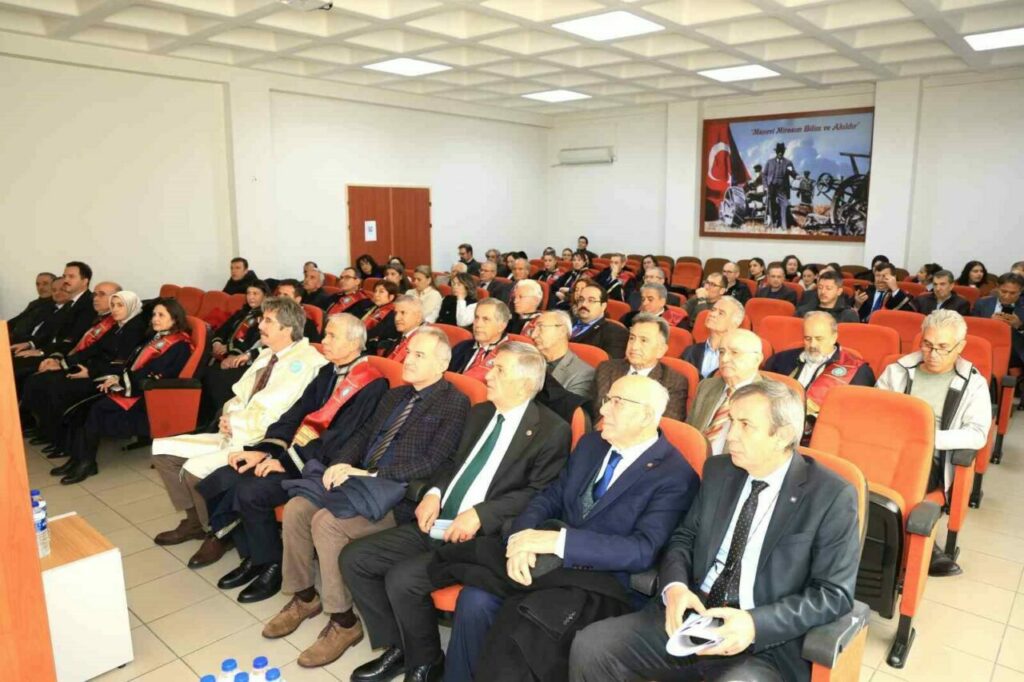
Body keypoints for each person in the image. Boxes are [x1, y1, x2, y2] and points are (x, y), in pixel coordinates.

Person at [569, 381, 861, 682]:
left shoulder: (830, 495)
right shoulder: (720, 471)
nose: (731, 435)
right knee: (593, 647)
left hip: (764, 641)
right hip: (694, 615)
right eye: (732, 421)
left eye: (745, 425)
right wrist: (675, 587)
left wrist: (755, 624)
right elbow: (684, 538)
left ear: (783, 435)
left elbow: (833, 594)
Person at [424, 375, 699, 682]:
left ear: (646, 416)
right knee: (475, 599)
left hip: (603, 582)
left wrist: (557, 542)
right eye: (606, 400)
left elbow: (641, 550)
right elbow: (550, 497)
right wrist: (522, 540)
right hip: (547, 565)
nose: (603, 410)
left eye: (617, 403)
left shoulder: (675, 476)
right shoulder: (592, 444)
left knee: (522, 628)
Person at [341, 343, 572, 682]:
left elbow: (539, 493)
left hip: (480, 536)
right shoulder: (481, 413)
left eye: (499, 370)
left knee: (403, 579)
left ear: (524, 384)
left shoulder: (551, 430)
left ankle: (426, 663)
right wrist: (434, 493)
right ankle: (402, 647)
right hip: (438, 519)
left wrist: (481, 514)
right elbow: (451, 462)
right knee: (355, 558)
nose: (488, 375)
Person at [263, 327, 470, 663]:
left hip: (397, 495)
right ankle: (304, 597)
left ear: (442, 364)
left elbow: (434, 461)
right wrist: (341, 463)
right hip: (359, 481)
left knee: (326, 523)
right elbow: (361, 436)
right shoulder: (395, 395)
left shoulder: (454, 403)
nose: (408, 360)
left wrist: (372, 474)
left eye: (419, 355)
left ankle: (344, 622)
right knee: (299, 507)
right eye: (409, 352)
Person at [193, 314, 392, 602]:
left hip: (324, 464)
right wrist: (265, 450)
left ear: (353, 343)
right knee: (223, 477)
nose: (323, 341)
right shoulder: (329, 371)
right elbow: (295, 413)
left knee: (250, 491)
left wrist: (285, 462)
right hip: (298, 452)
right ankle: (252, 556)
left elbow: (342, 439)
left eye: (332, 336)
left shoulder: (371, 384)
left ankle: (271, 564)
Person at [149, 298, 327, 551]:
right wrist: (228, 416)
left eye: (268, 321)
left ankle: (218, 533)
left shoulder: (307, 363)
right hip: (233, 431)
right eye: (262, 319)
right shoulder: (268, 354)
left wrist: (236, 423)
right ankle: (195, 521)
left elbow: (282, 415)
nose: (260, 325)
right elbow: (240, 395)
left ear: (287, 329)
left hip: (257, 441)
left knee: (193, 470)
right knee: (162, 450)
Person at [877, 310, 991, 576]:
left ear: (960, 347)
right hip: (888, 446)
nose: (933, 354)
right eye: (927, 345)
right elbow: (876, 411)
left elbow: (977, 433)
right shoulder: (897, 371)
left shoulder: (973, 384)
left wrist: (925, 439)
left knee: (905, 475)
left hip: (933, 456)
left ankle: (915, 542)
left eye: (942, 347)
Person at [51, 298, 193, 484]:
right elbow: (132, 364)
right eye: (154, 315)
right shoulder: (156, 337)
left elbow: (155, 374)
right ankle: (77, 459)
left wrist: (121, 382)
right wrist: (115, 377)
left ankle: (87, 463)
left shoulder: (180, 345)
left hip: (149, 395)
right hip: (133, 385)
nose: (155, 319)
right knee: (82, 406)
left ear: (174, 319)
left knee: (96, 409)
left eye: (161, 315)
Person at [22, 288, 146, 457]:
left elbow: (123, 364)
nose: (115, 309)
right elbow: (93, 348)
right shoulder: (118, 326)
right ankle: (49, 432)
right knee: (40, 380)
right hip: (92, 369)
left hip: (109, 378)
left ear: (131, 306)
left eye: (120, 305)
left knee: (58, 388)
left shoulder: (135, 329)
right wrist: (62, 363)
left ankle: (64, 442)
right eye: (113, 305)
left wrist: (90, 372)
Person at [764, 312, 874, 443]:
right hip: (773, 429)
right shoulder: (780, 360)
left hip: (820, 438)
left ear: (834, 337)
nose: (812, 345)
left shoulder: (858, 372)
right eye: (808, 338)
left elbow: (854, 419)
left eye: (819, 339)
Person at [593, 314, 688, 420]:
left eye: (643, 340)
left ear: (660, 350)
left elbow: (666, 424)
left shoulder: (674, 382)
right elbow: (591, 412)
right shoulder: (606, 368)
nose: (634, 346)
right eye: (632, 338)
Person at [12, 262, 96, 379]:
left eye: (71, 277)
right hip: (52, 351)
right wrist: (30, 344)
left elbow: (73, 339)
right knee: (10, 358)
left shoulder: (89, 304)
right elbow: (51, 331)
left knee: (14, 367)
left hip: (63, 357)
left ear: (85, 281)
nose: (66, 280)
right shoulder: (70, 303)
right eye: (65, 276)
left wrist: (42, 352)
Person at [687, 329, 763, 455]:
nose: (724, 358)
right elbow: (689, 431)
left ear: (757, 360)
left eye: (734, 352)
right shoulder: (706, 386)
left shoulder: (770, 398)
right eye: (721, 352)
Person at [200, 281, 268, 422]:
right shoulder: (242, 313)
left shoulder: (265, 317)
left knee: (216, 378)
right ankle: (204, 418)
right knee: (203, 372)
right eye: (248, 293)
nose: (251, 297)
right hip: (225, 355)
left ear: (265, 296)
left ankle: (219, 418)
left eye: (255, 294)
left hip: (246, 361)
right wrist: (218, 343)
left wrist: (231, 350)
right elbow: (222, 330)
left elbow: (255, 343)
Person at [532, 310, 595, 399]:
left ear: (562, 331)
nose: (533, 335)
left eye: (540, 327)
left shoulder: (584, 374)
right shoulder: (527, 359)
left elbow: (569, 406)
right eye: (533, 329)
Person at [682, 297, 745, 380]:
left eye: (721, 313)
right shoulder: (691, 351)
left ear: (735, 323)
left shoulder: (740, 357)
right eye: (713, 310)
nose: (712, 314)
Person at [450, 299, 511, 381]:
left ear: (501, 326)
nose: (478, 324)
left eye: (486, 319)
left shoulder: (508, 356)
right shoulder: (462, 347)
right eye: (476, 318)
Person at [973, 272, 1024, 368]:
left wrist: (1019, 326)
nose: (1007, 296)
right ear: (997, 288)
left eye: (1013, 293)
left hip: (1016, 351)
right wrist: (989, 323)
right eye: (1003, 291)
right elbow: (973, 331)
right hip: (988, 348)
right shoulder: (982, 304)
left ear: (1020, 291)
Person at [570, 283, 628, 359]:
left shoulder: (616, 332)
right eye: (581, 299)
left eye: (591, 300)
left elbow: (611, 364)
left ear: (603, 306)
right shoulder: (567, 321)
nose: (584, 304)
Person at [370, 295, 425, 361]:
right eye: (395, 313)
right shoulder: (402, 336)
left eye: (403, 313)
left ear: (418, 317)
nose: (397, 318)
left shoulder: (423, 342)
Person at [8, 271, 56, 342]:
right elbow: (17, 319)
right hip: (12, 339)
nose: (40, 287)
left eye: (45, 284)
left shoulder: (57, 306)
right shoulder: (33, 304)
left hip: (27, 343)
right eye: (37, 284)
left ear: (55, 285)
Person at [795, 271, 859, 323]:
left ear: (839, 291)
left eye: (828, 288)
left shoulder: (848, 316)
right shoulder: (803, 312)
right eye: (820, 288)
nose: (823, 292)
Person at [620, 283, 686, 328]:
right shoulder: (629, 317)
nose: (644, 303)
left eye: (650, 299)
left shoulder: (677, 322)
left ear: (662, 302)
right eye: (643, 299)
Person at [763, 143, 797, 229]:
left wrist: (798, 176)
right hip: (771, 187)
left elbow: (793, 173)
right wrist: (766, 186)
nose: (780, 153)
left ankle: (783, 226)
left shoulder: (788, 163)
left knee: (785, 205)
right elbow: (764, 175)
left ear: (784, 151)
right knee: (772, 206)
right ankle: (773, 224)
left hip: (782, 188)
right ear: (776, 152)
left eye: (782, 151)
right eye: (779, 151)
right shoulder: (769, 162)